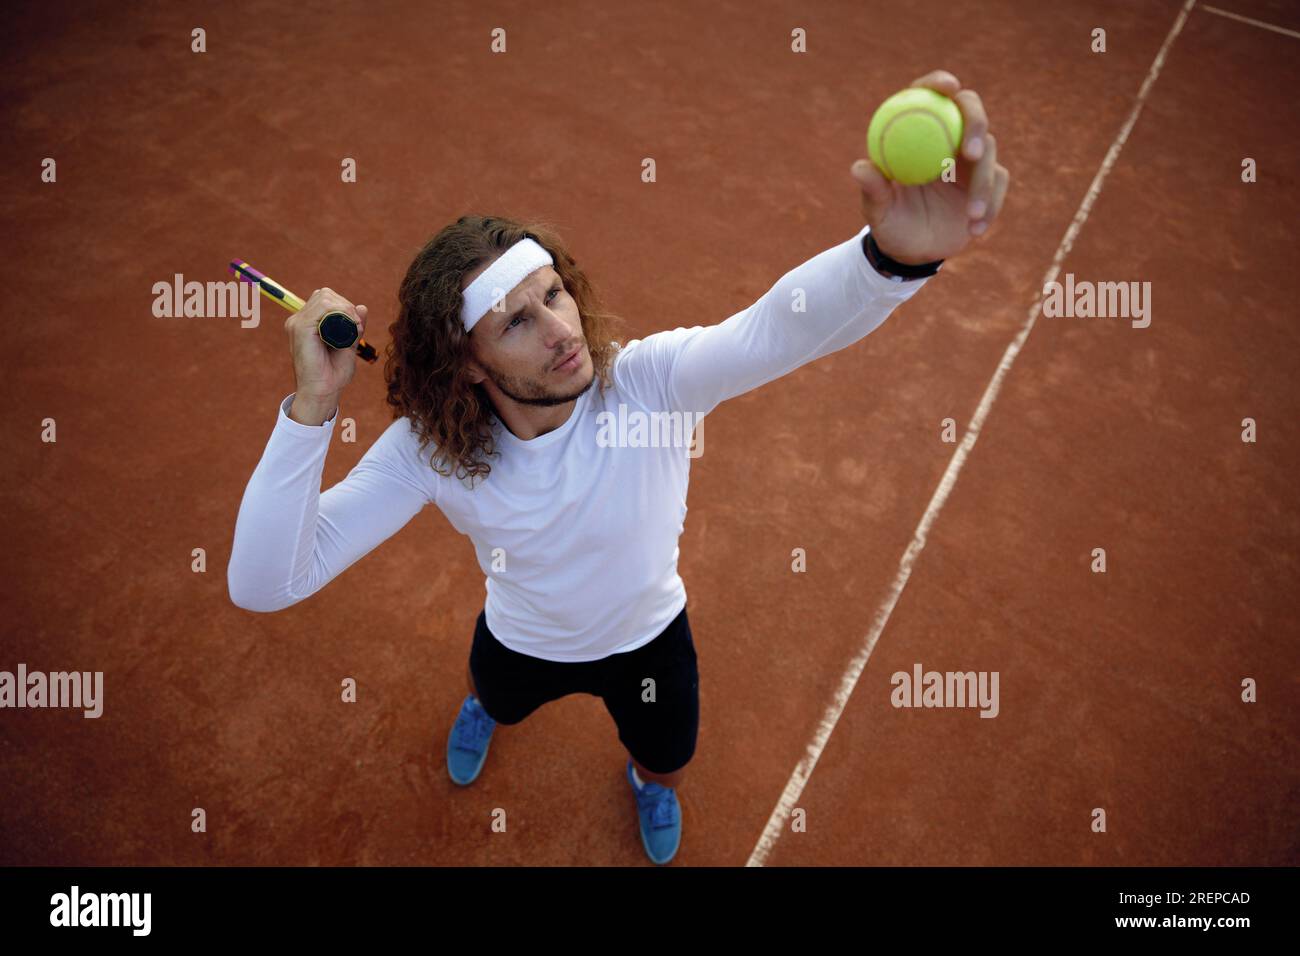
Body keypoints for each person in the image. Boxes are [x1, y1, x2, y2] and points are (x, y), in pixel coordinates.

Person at [226, 70, 1009, 865]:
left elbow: (779, 329)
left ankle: (651, 787)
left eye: (556, 294)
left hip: (649, 638)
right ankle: (486, 710)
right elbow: (267, 582)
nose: (561, 330)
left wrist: (890, 260)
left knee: (666, 757)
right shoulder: (428, 451)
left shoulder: (648, 382)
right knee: (494, 694)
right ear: (467, 365)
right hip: (521, 639)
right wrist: (312, 410)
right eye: (518, 322)